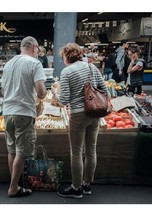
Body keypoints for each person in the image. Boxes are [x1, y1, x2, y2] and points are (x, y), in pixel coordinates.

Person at [52, 43, 107, 199]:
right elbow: (104, 88)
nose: (62, 60)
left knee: (76, 153)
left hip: (78, 115)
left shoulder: (67, 71)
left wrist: (55, 93)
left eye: (63, 56)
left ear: (67, 56)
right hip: (95, 113)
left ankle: (76, 188)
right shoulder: (91, 67)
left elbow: (64, 100)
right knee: (91, 151)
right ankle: (87, 185)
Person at [1, 36, 47, 198]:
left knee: (12, 150)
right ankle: (13, 187)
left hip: (7, 112)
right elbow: (41, 92)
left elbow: (3, 91)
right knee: (22, 151)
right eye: (38, 50)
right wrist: (44, 93)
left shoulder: (8, 64)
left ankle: (16, 183)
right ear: (34, 47)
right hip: (24, 112)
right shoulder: (35, 64)